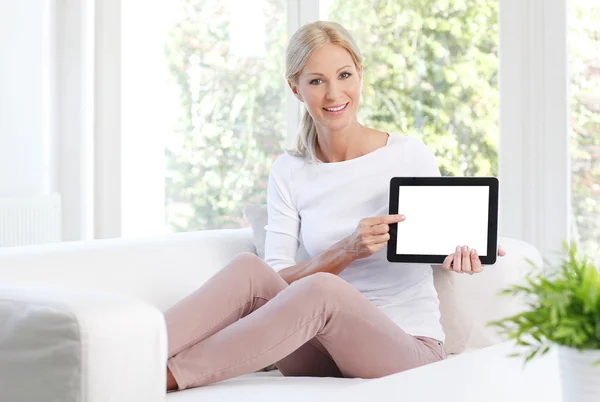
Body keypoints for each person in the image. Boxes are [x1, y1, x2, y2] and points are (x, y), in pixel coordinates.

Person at [164, 20, 505, 392]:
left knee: (323, 290)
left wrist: (458, 255)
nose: (333, 93)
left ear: (360, 74)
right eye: (316, 81)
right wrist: (345, 251)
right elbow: (275, 281)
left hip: (405, 348)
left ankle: (163, 376)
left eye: (344, 75)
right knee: (250, 269)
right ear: (295, 88)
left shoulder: (409, 156)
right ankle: (133, 352)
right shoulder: (289, 171)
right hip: (314, 349)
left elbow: (430, 243)